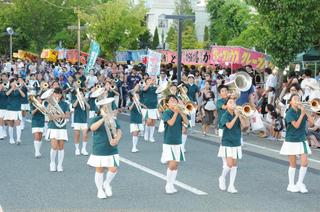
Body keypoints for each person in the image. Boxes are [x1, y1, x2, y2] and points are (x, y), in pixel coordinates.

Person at [87, 98, 122, 199]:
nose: (108, 108)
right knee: (100, 169)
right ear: (101, 108)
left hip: (112, 147)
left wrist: (117, 139)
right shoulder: (96, 118)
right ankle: (99, 190)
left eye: (109, 106)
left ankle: (106, 183)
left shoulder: (114, 119)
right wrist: (103, 118)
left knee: (113, 168)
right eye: (106, 106)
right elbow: (92, 128)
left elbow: (119, 130)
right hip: (99, 147)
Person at [280, 94, 314, 193]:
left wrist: (306, 111)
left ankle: (299, 182)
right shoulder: (289, 112)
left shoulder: (301, 111)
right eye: (295, 99)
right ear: (291, 102)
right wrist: (302, 114)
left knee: (305, 162)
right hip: (291, 140)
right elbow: (296, 125)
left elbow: (312, 123)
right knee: (293, 164)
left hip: (302, 139)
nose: (297, 100)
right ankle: (290, 184)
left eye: (298, 99)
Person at [218, 97, 249, 193]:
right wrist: (236, 116)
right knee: (229, 164)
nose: (233, 104)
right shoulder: (225, 115)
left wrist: (241, 116)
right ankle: (222, 177)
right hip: (227, 142)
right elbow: (229, 126)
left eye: (234, 102)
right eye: (230, 102)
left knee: (234, 165)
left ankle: (231, 186)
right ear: (227, 105)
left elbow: (245, 127)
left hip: (236, 142)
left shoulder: (238, 114)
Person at [161, 95, 189, 194]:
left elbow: (187, 123)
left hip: (178, 141)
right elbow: (171, 123)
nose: (173, 101)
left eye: (175, 100)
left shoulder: (180, 112)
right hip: (169, 141)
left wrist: (181, 112)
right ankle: (168, 184)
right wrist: (176, 112)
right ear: (167, 104)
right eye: (171, 100)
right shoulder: (166, 112)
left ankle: (172, 184)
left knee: (176, 165)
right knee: (172, 165)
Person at [46, 88, 70, 172]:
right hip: (53, 127)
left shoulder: (65, 104)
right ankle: (52, 163)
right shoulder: (49, 104)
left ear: (61, 95)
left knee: (61, 147)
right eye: (55, 94)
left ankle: (60, 165)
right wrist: (59, 115)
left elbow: (67, 116)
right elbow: (49, 117)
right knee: (54, 146)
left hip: (62, 127)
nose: (57, 95)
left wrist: (58, 116)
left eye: (58, 94)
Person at [4, 78, 25, 145]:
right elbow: (7, 94)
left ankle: (18, 139)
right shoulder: (8, 89)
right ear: (10, 83)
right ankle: (11, 138)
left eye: (16, 82)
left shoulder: (19, 90)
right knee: (11, 125)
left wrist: (18, 88)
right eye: (13, 82)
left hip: (17, 109)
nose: (15, 83)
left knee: (18, 123)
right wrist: (12, 88)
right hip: (10, 109)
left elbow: (24, 96)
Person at [72, 84, 90, 156]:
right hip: (77, 120)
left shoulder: (85, 100)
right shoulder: (74, 99)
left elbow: (89, 107)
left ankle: (83, 149)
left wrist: (84, 100)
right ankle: (77, 149)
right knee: (77, 135)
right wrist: (78, 99)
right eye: (79, 94)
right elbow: (73, 106)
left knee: (85, 135)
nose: (81, 94)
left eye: (82, 93)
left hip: (84, 120)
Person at [141, 77, 158, 142]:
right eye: (148, 80)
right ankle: (146, 134)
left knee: (153, 122)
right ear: (146, 82)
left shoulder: (154, 88)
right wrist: (150, 83)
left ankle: (151, 137)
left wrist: (155, 83)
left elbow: (160, 89)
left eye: (150, 80)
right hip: (147, 108)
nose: (150, 81)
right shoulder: (144, 87)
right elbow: (144, 89)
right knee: (148, 121)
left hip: (154, 107)